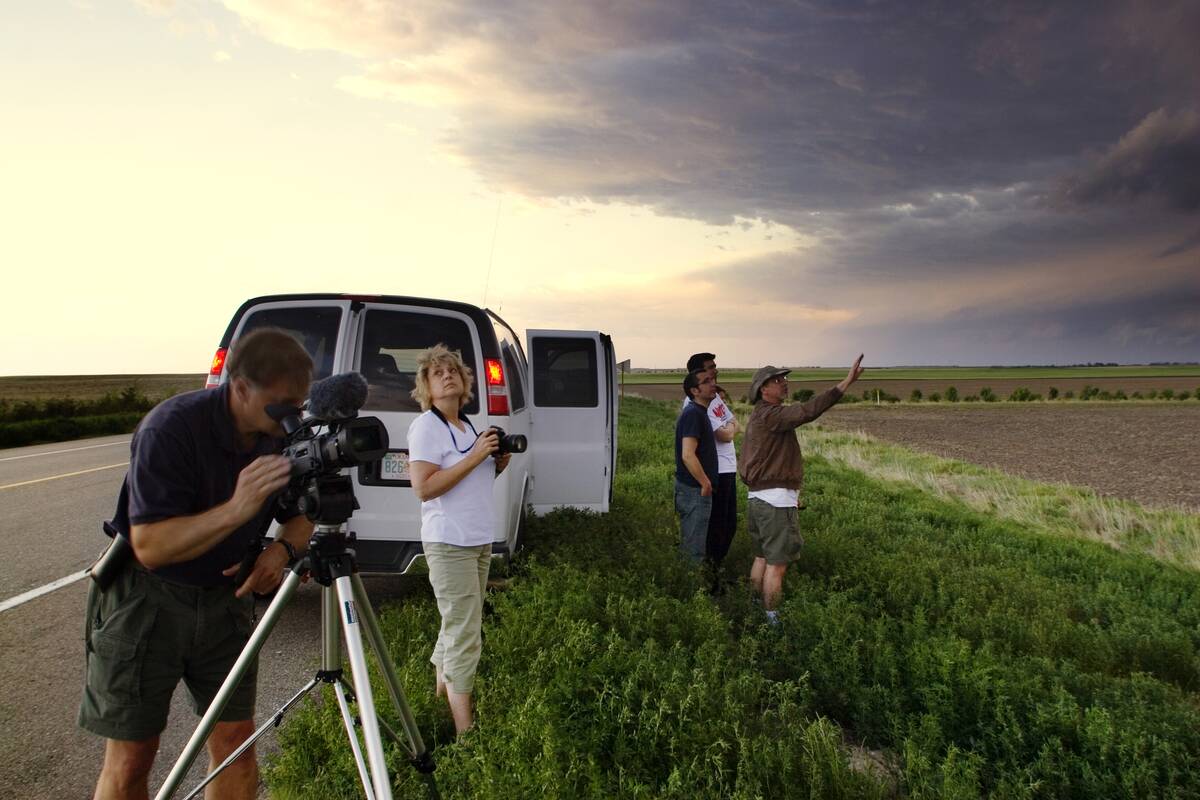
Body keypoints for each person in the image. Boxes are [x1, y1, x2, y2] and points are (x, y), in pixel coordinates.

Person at [80, 328, 315, 800]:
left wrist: (280, 550)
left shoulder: (277, 436)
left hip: (222, 605)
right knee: (131, 759)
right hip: (147, 600)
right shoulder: (171, 429)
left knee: (234, 745)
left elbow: (304, 517)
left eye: (300, 404)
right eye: (282, 403)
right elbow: (150, 544)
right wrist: (237, 507)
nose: (292, 416)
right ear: (241, 387)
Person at [407, 344, 511, 735]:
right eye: (438, 373)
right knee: (466, 633)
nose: (448, 376)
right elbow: (424, 488)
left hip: (477, 540)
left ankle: (440, 696)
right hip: (449, 543)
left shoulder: (468, 427)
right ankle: (465, 734)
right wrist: (475, 457)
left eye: (453, 371)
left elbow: (470, 485)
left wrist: (496, 464)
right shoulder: (427, 427)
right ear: (427, 387)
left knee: (455, 623)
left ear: (465, 381)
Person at [739, 355, 864, 623]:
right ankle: (772, 623)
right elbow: (808, 411)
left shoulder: (761, 416)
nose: (785, 384)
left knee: (761, 557)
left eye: (785, 379)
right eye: (778, 380)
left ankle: (751, 607)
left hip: (759, 499)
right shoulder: (772, 415)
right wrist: (846, 382)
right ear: (764, 389)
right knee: (777, 566)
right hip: (774, 502)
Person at [683, 352, 740, 575]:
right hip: (716, 470)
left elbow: (735, 424)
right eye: (710, 368)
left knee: (728, 525)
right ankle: (711, 574)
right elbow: (725, 435)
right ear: (697, 373)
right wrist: (730, 428)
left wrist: (730, 427)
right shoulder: (695, 403)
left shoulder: (714, 397)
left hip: (729, 467)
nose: (715, 371)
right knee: (717, 526)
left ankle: (715, 569)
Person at [675, 368, 719, 563]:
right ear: (695, 390)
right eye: (706, 381)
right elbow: (687, 454)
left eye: (713, 379)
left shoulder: (700, 412)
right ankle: (691, 591)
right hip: (694, 491)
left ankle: (689, 587)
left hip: (694, 490)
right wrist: (705, 484)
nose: (713, 384)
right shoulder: (693, 414)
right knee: (694, 548)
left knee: (693, 543)